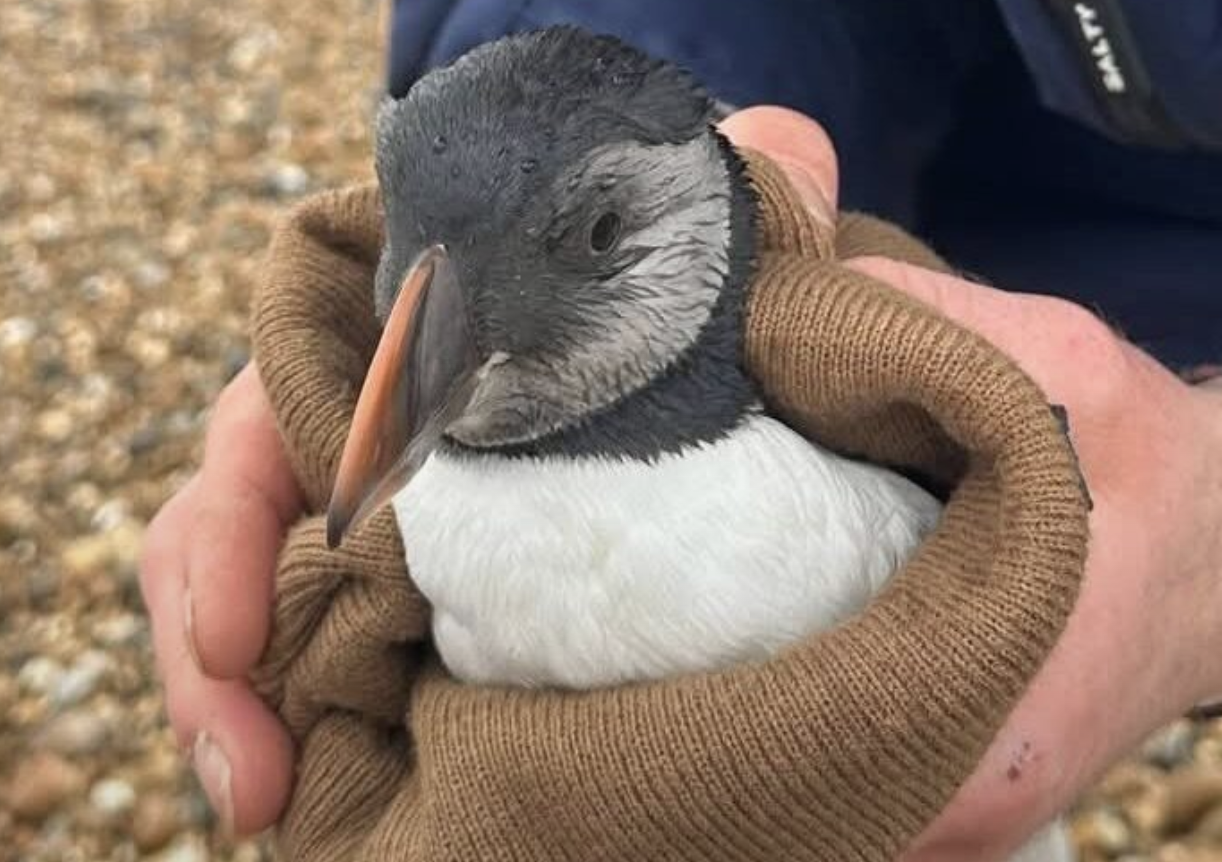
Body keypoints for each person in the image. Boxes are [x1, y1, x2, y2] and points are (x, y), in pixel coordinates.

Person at [139, 2, 1222, 859]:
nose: (427, 347)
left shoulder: (864, 460)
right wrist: (612, 78)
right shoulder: (412, 514)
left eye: (600, 233)